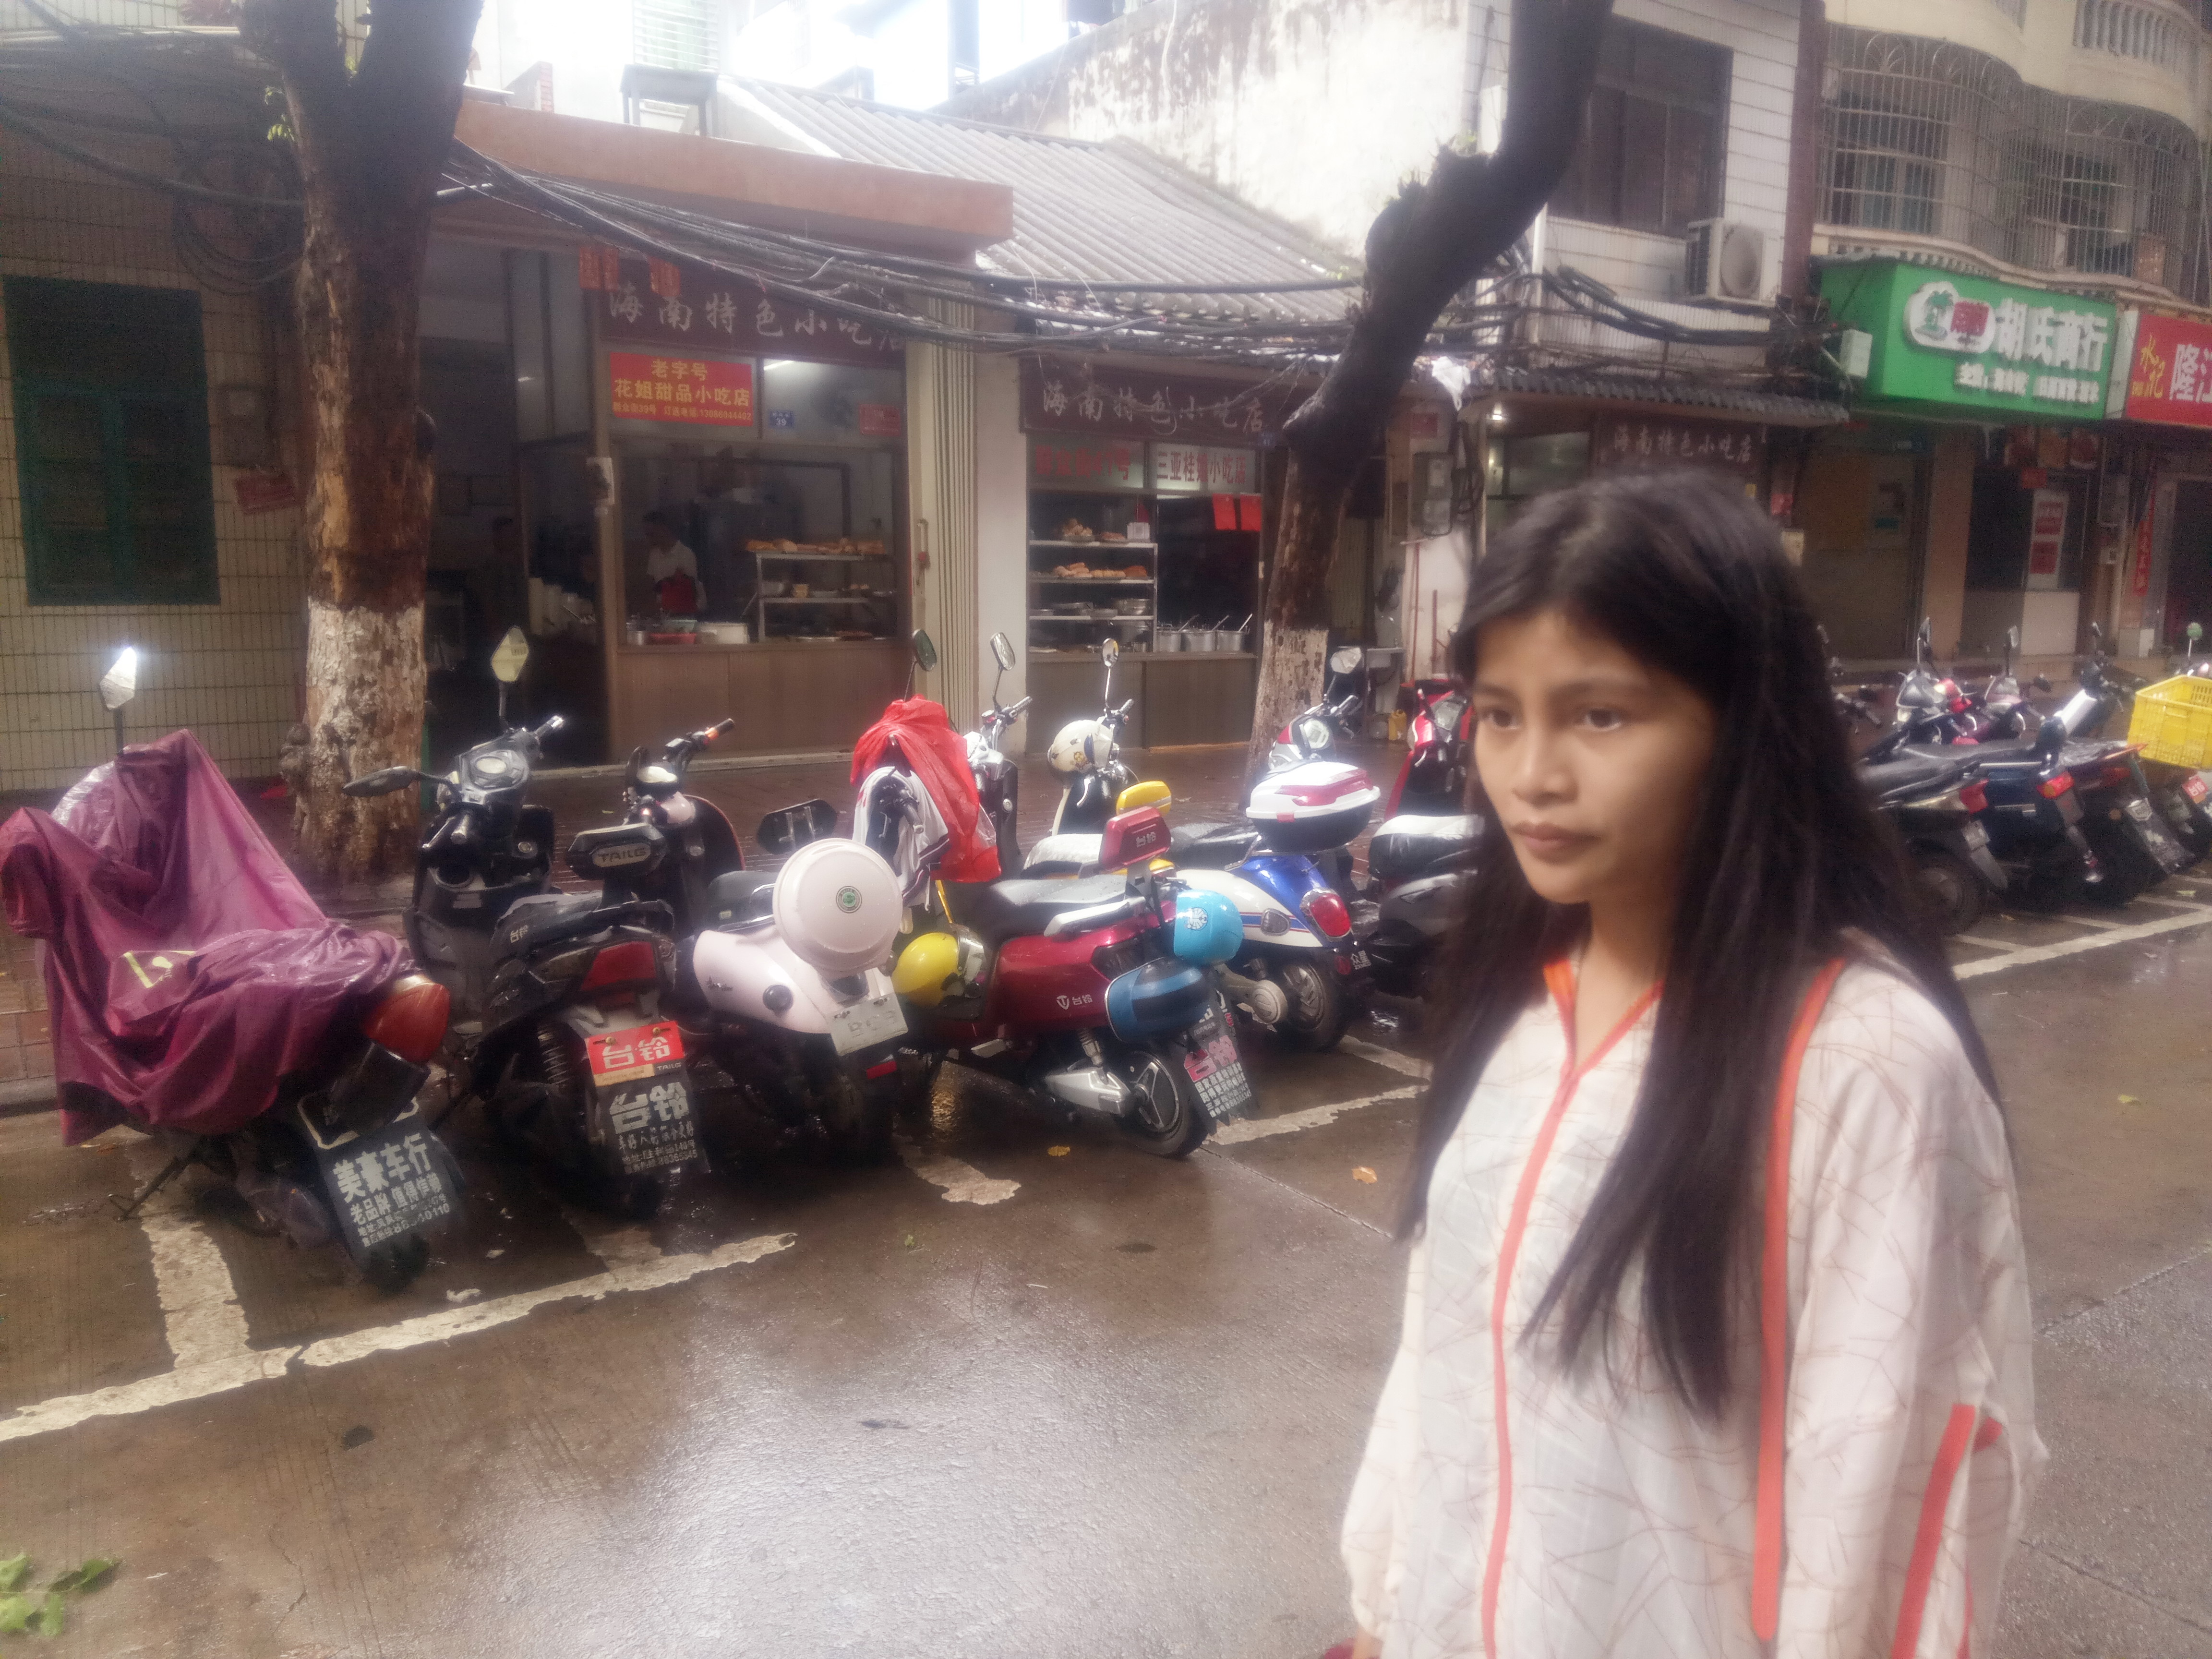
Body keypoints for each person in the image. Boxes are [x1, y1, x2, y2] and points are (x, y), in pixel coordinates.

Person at [1339, 469, 2041, 1659]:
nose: (1532, 773)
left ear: (1742, 726)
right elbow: (1438, 1360)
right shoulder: (1519, 1000)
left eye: (1600, 716)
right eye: (1500, 714)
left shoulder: (1861, 1063)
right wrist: (1382, 1609)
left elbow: (1882, 1497)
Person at [641, 508, 703, 615]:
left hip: (682, 614)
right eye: (646, 535)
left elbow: (690, 591)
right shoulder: (654, 554)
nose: (648, 539)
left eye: (651, 534)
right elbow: (651, 586)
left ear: (663, 530)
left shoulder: (686, 554)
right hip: (661, 614)